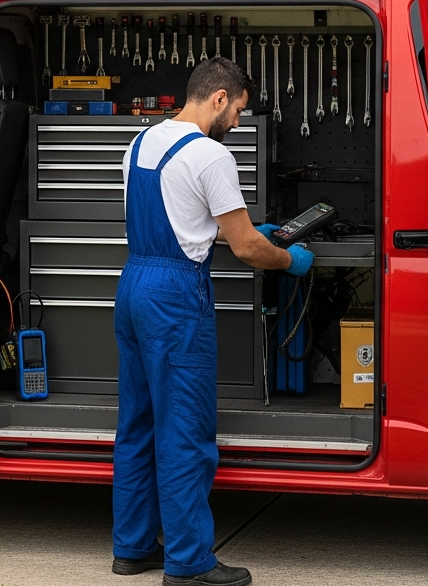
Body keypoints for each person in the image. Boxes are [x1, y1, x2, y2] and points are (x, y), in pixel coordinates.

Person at [111, 57, 312, 586]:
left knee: (137, 423)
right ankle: (189, 561)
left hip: (134, 285)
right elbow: (246, 248)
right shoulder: (211, 155)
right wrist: (291, 259)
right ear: (218, 97)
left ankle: (131, 548)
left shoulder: (139, 144)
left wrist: (239, 228)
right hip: (175, 296)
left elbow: (186, 219)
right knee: (185, 429)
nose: (240, 124)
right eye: (240, 110)